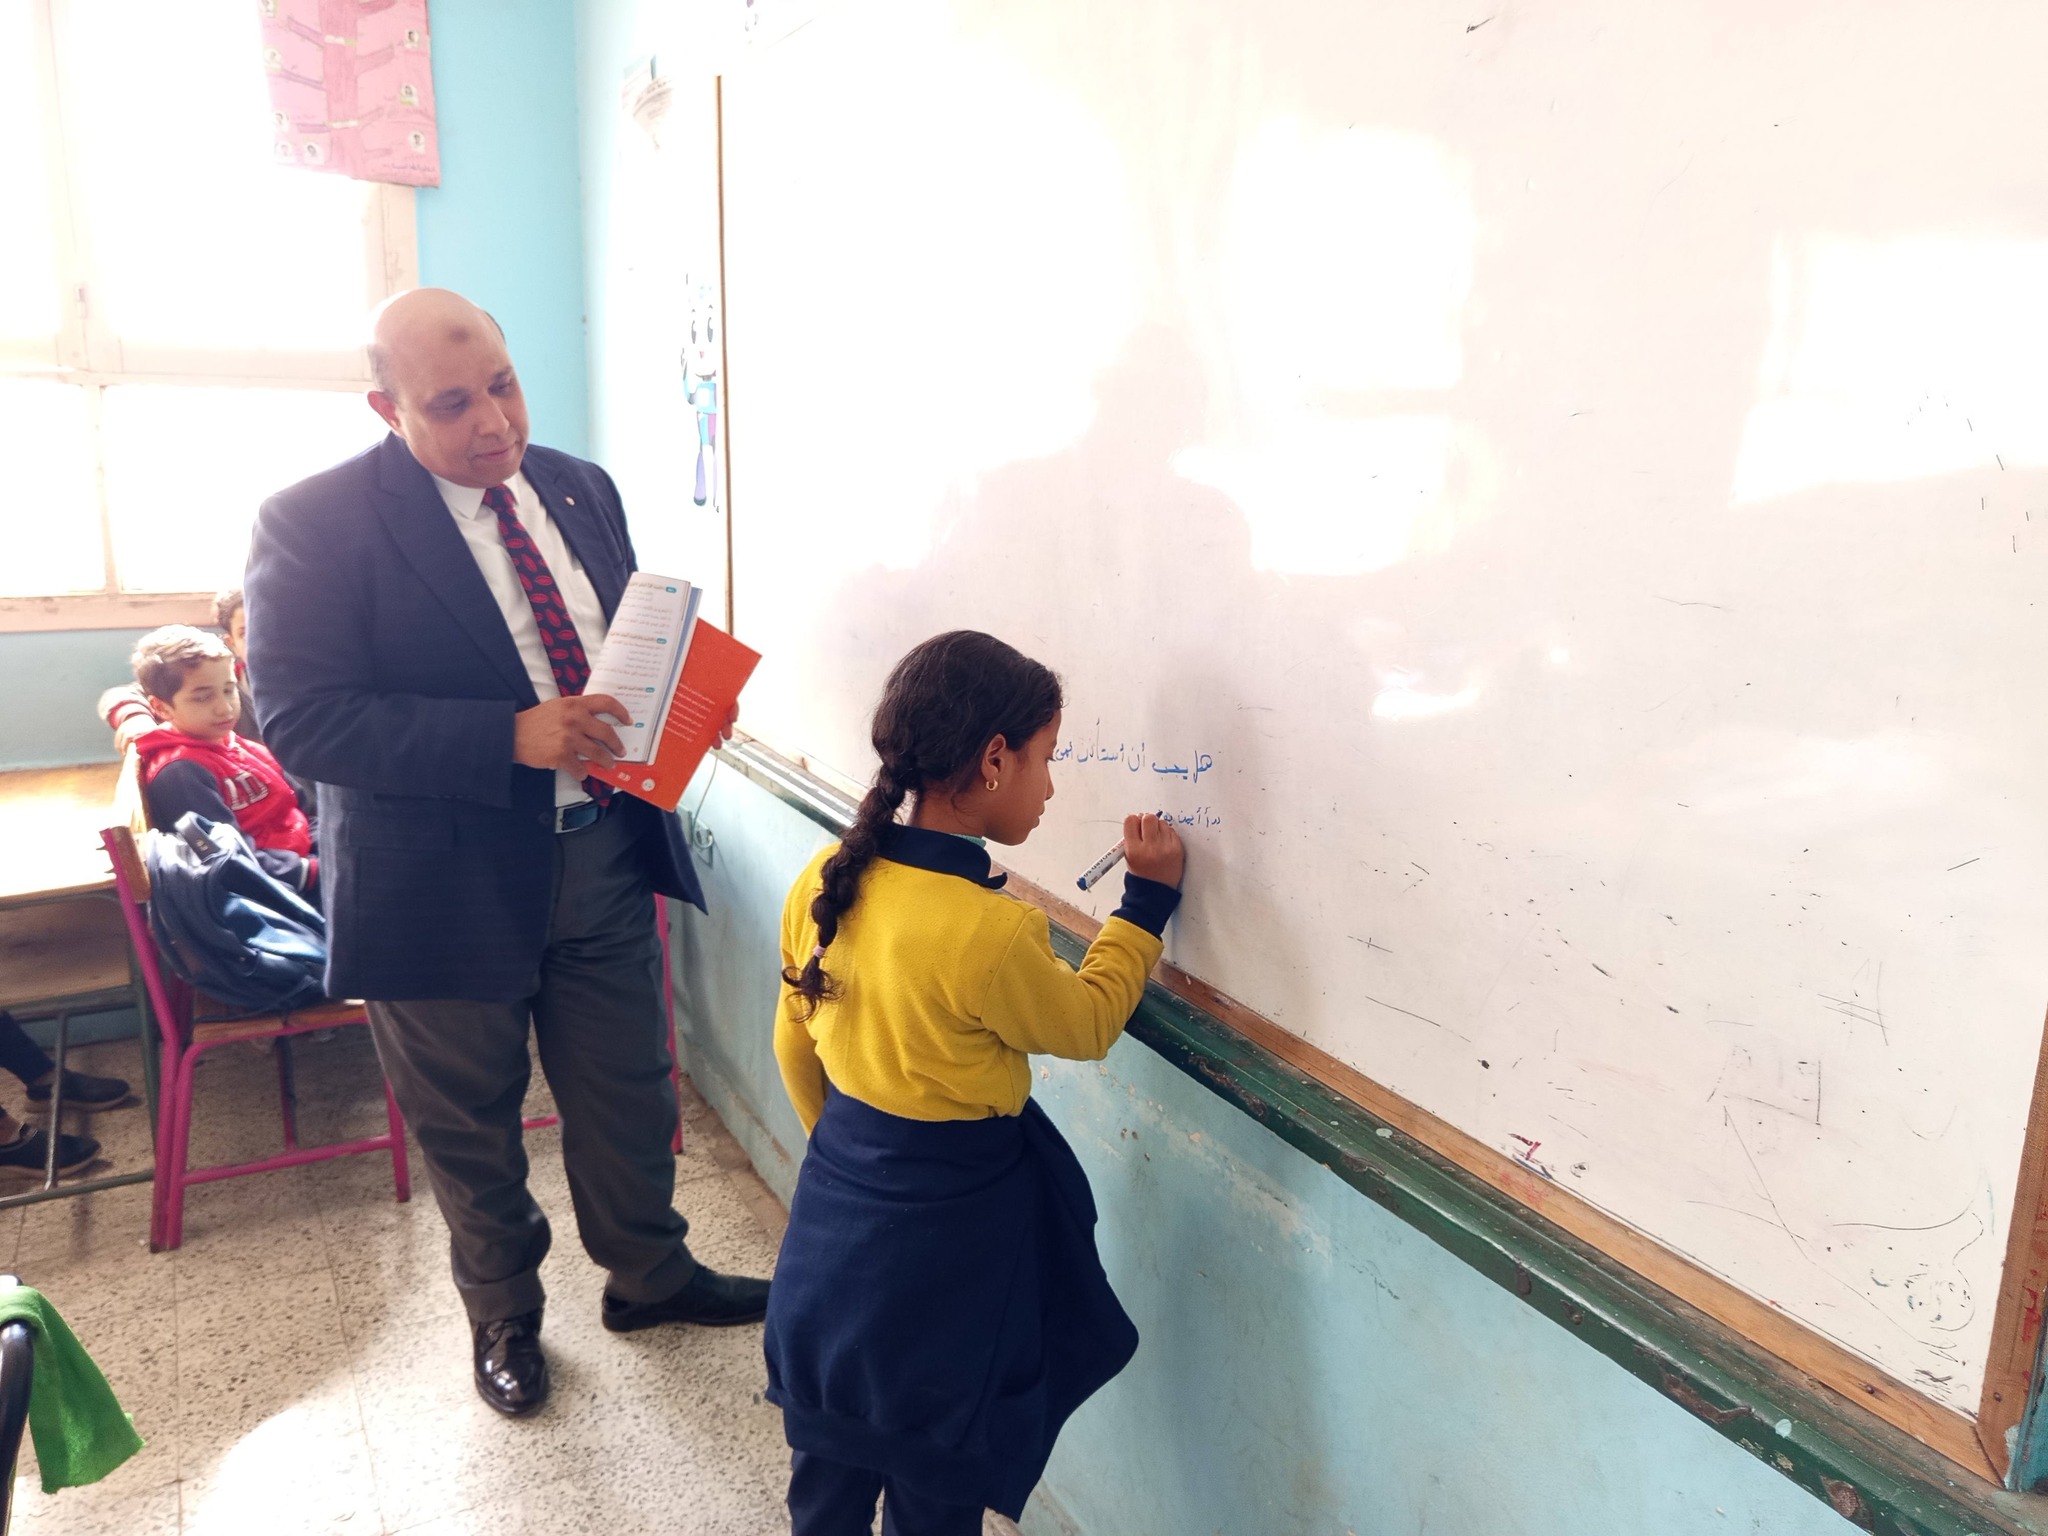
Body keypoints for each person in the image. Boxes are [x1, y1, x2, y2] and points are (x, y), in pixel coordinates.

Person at [242, 287, 770, 1419]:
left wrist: (682, 703)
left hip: (602, 854)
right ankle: (504, 1316)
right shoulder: (313, 522)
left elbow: (617, 646)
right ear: (386, 408)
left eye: (504, 385)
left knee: (629, 1093)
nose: (494, 422)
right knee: (469, 1122)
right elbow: (300, 721)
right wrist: (507, 738)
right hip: (436, 882)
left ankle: (651, 1276)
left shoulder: (579, 485)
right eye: (451, 404)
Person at [764, 630, 1186, 1535]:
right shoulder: (989, 932)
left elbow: (793, 1046)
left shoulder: (824, 881)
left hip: (834, 1224)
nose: (1051, 786)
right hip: (946, 1253)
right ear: (994, 760)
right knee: (937, 1474)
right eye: (1046, 757)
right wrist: (1145, 904)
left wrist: (846, 1158)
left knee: (827, 1472)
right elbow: (1086, 1023)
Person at [125, 626, 318, 897]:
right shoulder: (180, 773)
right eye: (203, 697)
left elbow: (302, 807)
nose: (224, 708)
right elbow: (226, 858)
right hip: (275, 887)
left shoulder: (239, 745)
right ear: (161, 708)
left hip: (307, 857)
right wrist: (311, 871)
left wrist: (330, 851)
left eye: (229, 690)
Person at [99, 589, 261, 752]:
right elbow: (122, 694)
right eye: (246, 634)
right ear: (232, 643)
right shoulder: (222, 679)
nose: (264, 641)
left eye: (272, 629)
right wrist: (135, 718)